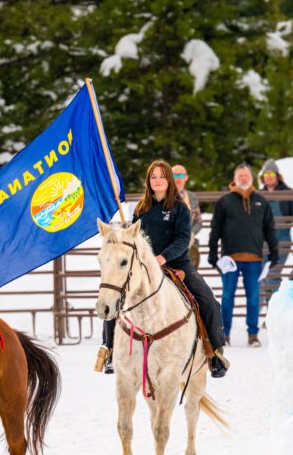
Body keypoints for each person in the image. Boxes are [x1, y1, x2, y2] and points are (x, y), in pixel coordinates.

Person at [98, 160, 228, 378]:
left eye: (161, 176)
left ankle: (214, 352)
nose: (157, 180)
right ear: (148, 181)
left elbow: (183, 239)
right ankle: (110, 350)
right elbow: (135, 238)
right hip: (145, 266)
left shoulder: (180, 208)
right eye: (153, 177)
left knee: (208, 300)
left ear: (169, 180)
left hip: (177, 263)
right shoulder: (141, 209)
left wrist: (163, 257)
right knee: (114, 295)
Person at [209, 164, 278, 347]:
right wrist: (213, 252)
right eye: (240, 175)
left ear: (251, 178)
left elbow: (269, 229)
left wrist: (274, 251)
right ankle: (224, 335)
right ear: (234, 178)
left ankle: (253, 335)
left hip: (254, 259)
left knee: (254, 298)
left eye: (246, 175)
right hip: (229, 259)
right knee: (227, 297)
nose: (243, 178)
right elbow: (215, 228)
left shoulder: (261, 202)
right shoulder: (224, 201)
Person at [258, 159, 293, 303]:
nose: (269, 177)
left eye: (272, 173)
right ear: (263, 177)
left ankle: (278, 306)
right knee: (263, 276)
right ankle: (269, 310)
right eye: (266, 174)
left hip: (282, 241)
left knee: (272, 274)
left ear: (277, 175)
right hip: (263, 243)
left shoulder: (288, 193)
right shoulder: (258, 195)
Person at [171, 164, 203, 268]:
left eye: (181, 175)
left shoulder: (192, 197)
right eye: (175, 175)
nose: (178, 178)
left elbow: (198, 221)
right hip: (169, 246)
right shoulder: (163, 196)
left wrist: (191, 233)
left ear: (186, 177)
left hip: (189, 245)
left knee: (190, 275)